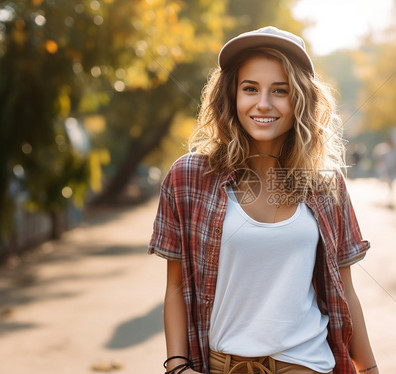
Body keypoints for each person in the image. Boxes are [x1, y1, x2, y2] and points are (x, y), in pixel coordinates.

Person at [148, 26, 379, 374]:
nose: (263, 103)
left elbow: (345, 292)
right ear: (232, 95)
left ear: (300, 98)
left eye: (280, 91)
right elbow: (176, 286)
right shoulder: (190, 177)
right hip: (221, 365)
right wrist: (177, 366)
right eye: (250, 89)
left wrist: (371, 370)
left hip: (306, 365)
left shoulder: (325, 185)